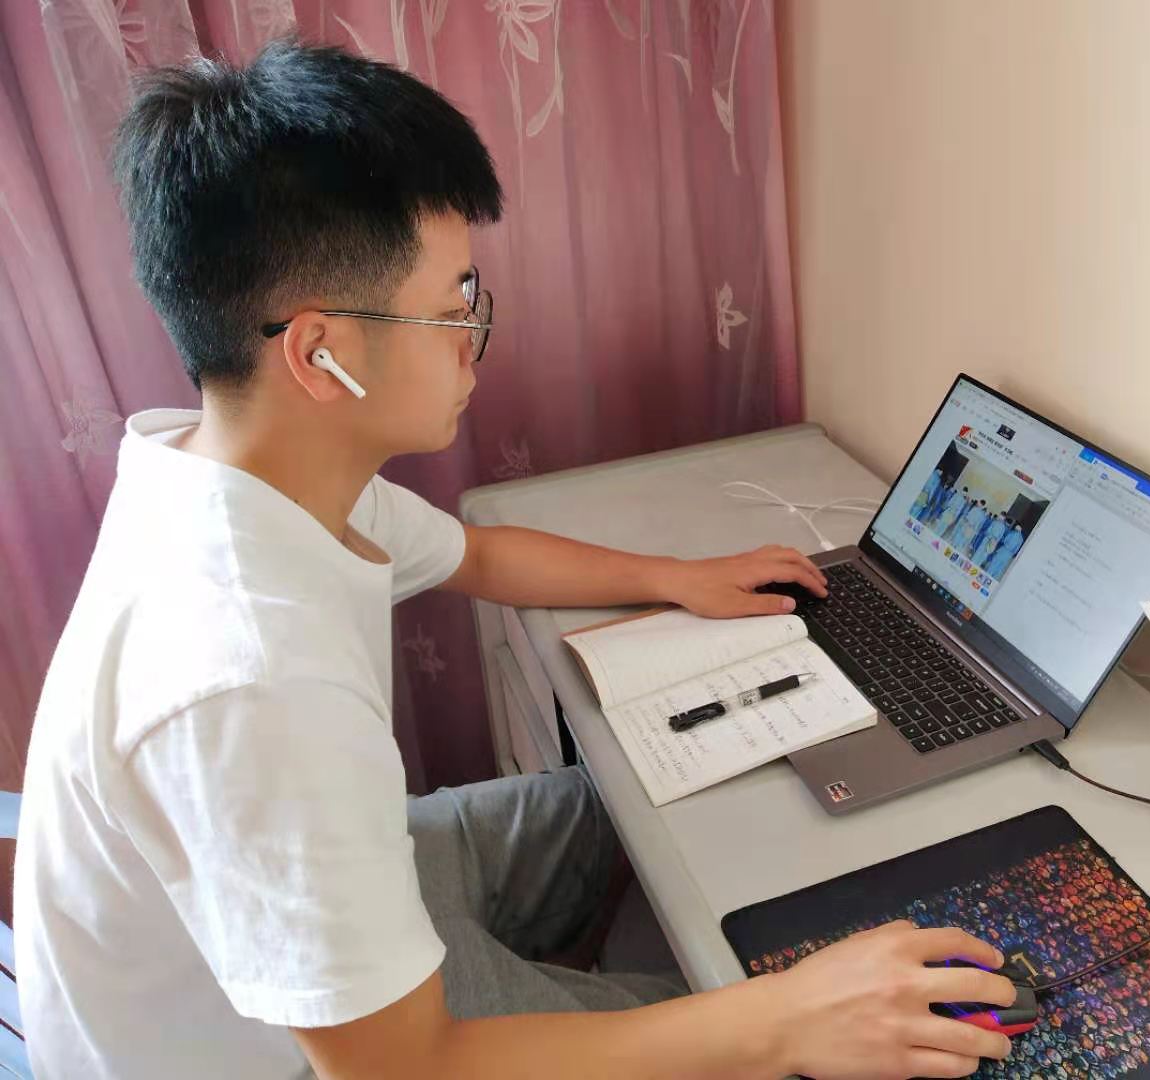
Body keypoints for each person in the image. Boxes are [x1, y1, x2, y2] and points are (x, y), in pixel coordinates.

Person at [12, 39, 1016, 1080]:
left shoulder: (243, 466)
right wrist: (784, 1020)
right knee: (747, 1014)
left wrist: (674, 580)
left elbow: (481, 554)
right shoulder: (251, 674)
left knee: (622, 806)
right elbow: (402, 1068)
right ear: (322, 354)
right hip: (296, 1052)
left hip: (336, 904)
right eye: (451, 308)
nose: (473, 340)